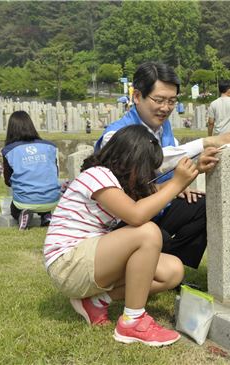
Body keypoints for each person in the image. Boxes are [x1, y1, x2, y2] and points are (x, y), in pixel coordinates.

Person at [45, 125, 198, 346]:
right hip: (68, 264)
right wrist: (176, 184)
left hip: (88, 261)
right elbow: (136, 214)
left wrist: (193, 172)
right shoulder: (96, 175)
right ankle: (132, 322)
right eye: (147, 169)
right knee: (147, 233)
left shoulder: (113, 182)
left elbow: (152, 194)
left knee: (172, 271)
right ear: (130, 160)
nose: (149, 175)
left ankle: (96, 301)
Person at [94, 61, 230, 269]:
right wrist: (207, 141)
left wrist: (195, 167)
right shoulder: (115, 135)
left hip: (157, 207)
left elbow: (173, 160)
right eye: (159, 100)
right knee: (160, 236)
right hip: (125, 219)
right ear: (137, 96)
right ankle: (151, 263)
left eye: (172, 101)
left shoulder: (163, 126)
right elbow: (155, 159)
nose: (165, 108)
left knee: (204, 206)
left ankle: (176, 268)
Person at [2, 111, 60, 230]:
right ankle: (47, 215)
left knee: (14, 208)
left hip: (24, 201)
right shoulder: (49, 146)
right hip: (52, 199)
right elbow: (55, 172)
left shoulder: (9, 150)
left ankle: (21, 214)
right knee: (43, 189)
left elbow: (8, 181)